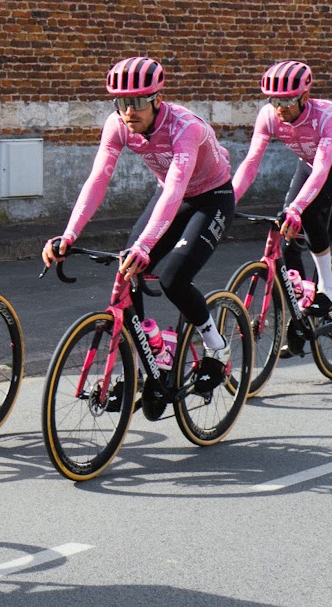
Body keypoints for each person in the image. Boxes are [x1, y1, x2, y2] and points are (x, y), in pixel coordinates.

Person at [42, 57, 237, 395]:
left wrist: (146, 244)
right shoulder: (117, 125)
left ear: (157, 100)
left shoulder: (184, 128)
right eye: (121, 103)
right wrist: (70, 233)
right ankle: (152, 353)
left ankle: (216, 346)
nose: (128, 111)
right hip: (169, 196)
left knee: (173, 277)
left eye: (136, 103)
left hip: (211, 197)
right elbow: (98, 179)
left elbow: (177, 187)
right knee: (128, 266)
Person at [229, 60, 332, 319]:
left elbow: (323, 169)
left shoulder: (328, 115)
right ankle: (301, 306)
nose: (280, 108)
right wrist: (229, 201)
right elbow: (250, 163)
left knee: (308, 211)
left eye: (288, 101)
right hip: (308, 165)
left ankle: (328, 289)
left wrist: (298, 208)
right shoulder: (269, 116)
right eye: (273, 100)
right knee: (287, 231)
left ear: (305, 96)